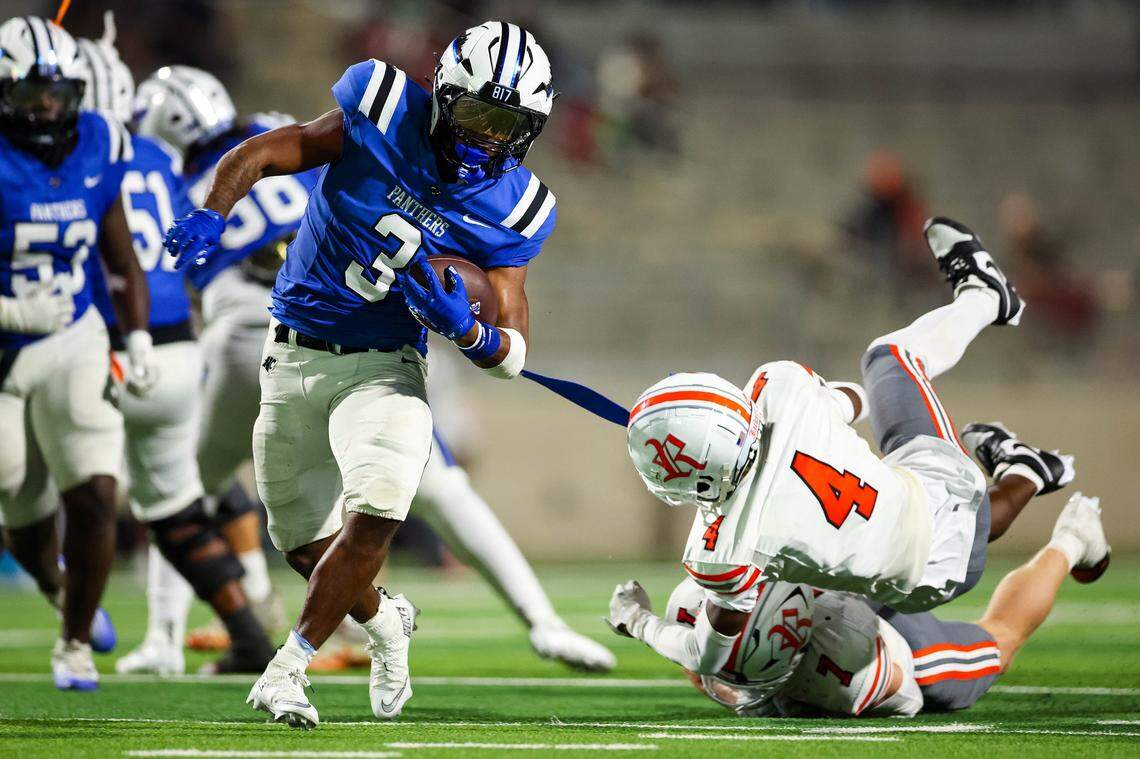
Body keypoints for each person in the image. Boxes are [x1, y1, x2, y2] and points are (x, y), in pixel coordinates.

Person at [162, 21, 558, 728]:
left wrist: (466, 327)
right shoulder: (380, 109)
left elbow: (512, 348)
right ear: (443, 94)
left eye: (508, 124)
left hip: (386, 367)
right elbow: (263, 151)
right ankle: (386, 622)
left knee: (376, 512)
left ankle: (288, 668)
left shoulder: (515, 205)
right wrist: (212, 210)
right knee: (301, 542)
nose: (487, 138)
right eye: (475, 113)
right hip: (292, 350)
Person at [610, 216, 1077, 678]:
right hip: (927, 497)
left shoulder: (723, 553)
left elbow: (709, 656)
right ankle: (984, 298)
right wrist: (810, 423)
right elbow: (861, 399)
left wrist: (638, 620)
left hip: (917, 580)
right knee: (889, 359)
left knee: (952, 528)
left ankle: (1030, 470)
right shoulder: (778, 387)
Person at [73, 19, 275, 677]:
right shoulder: (162, 163)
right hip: (179, 346)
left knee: (81, 491)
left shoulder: (73, 157)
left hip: (104, 341)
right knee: (181, 497)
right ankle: (250, 624)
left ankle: (78, 619)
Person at [130, 64, 319, 657]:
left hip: (232, 338)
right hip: (329, 321)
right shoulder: (272, 132)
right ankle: (274, 608)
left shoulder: (172, 180)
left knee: (189, 482)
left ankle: (169, 636)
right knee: (272, 486)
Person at [647, 490, 1110, 717]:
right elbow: (704, 659)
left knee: (985, 646)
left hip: (878, 636)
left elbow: (904, 698)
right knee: (937, 545)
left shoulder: (866, 674)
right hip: (833, 591)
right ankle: (1024, 476)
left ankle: (1072, 536)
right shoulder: (705, 620)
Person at [0, 15, 150, 690]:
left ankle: (74, 643)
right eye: (34, 94)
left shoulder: (101, 141)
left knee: (93, 491)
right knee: (16, 497)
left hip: (72, 334)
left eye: (61, 91)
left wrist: (136, 334)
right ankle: (54, 582)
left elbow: (119, 255)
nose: (50, 106)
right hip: (4, 347)